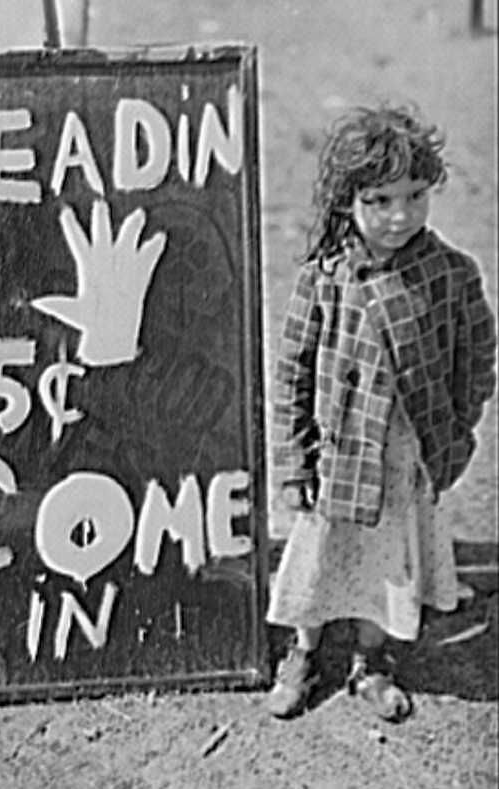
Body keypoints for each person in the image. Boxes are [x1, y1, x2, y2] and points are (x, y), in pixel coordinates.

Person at [266, 103, 497, 721]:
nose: (400, 216)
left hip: (406, 453)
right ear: (348, 202)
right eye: (380, 200)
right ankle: (304, 652)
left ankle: (371, 663)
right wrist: (294, 462)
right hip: (340, 453)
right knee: (322, 555)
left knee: (391, 561)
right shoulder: (325, 279)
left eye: (415, 196)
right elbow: (291, 374)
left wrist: (452, 429)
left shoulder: (451, 273)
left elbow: (478, 355)